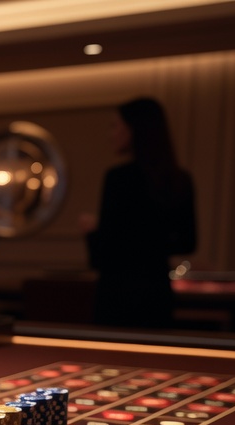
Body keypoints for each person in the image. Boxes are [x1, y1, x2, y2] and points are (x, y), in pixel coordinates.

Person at [79, 97, 196, 328]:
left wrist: (94, 230)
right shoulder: (178, 179)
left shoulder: (118, 178)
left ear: (134, 130)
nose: (110, 134)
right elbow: (188, 242)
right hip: (156, 293)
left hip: (117, 294)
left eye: (115, 126)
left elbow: (103, 256)